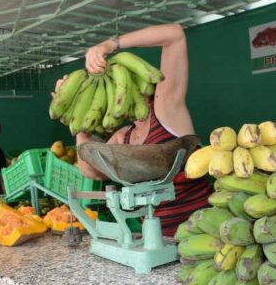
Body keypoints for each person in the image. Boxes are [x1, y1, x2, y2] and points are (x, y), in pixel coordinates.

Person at [57, 24, 212, 237]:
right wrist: (76, 111)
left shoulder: (167, 108)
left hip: (202, 235)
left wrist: (111, 44)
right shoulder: (124, 136)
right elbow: (92, 171)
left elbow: (175, 35)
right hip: (157, 241)